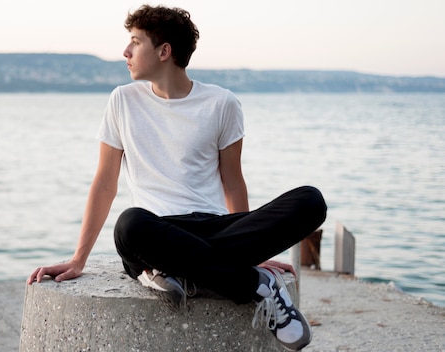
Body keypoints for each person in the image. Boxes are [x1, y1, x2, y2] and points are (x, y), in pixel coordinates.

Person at [28, 5, 327, 351]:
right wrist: (79, 258)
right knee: (129, 224)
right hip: (152, 233)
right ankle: (256, 286)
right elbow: (105, 183)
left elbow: (232, 182)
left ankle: (182, 271)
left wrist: (253, 247)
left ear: (164, 51)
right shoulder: (122, 101)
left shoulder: (222, 103)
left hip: (213, 227)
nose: (125, 52)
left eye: (135, 43)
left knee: (311, 201)